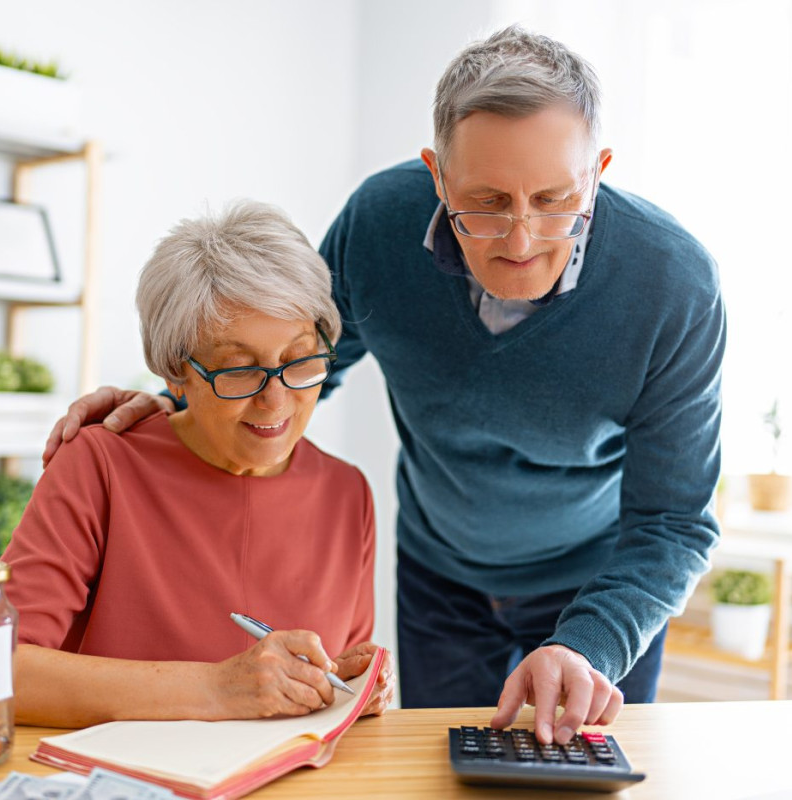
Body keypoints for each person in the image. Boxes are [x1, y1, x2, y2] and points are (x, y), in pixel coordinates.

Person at [43, 26, 724, 745]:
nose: (521, 241)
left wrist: (588, 646)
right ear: (437, 175)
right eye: (485, 202)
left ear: (599, 170)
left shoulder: (673, 285)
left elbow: (675, 522)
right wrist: (177, 401)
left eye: (555, 200)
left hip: (597, 583)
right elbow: (297, 363)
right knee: (441, 779)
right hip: (440, 574)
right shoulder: (378, 225)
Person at [2, 201, 393, 728]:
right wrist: (215, 689)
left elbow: (330, 695)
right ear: (174, 369)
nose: (276, 401)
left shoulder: (347, 494)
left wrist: (351, 688)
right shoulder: (99, 466)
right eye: (237, 370)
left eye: (300, 359)